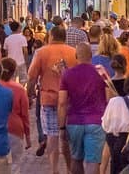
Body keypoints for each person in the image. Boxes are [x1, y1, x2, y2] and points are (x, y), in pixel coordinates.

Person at [26, 25, 77, 174]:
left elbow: (31, 77)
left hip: (48, 99)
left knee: (52, 137)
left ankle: (54, 170)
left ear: (51, 36)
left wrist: (30, 94)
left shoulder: (41, 52)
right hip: (69, 100)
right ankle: (69, 169)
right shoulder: (73, 53)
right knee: (66, 137)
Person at [57, 43, 108, 174]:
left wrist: (62, 127)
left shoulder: (67, 74)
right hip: (96, 121)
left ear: (76, 56)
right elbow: (110, 97)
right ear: (91, 55)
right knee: (93, 161)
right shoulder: (100, 71)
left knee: (76, 159)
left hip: (74, 121)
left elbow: (62, 102)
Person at [0, 57, 30, 165]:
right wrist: (28, 136)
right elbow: (25, 115)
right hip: (15, 130)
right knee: (15, 164)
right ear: (14, 71)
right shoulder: (20, 89)